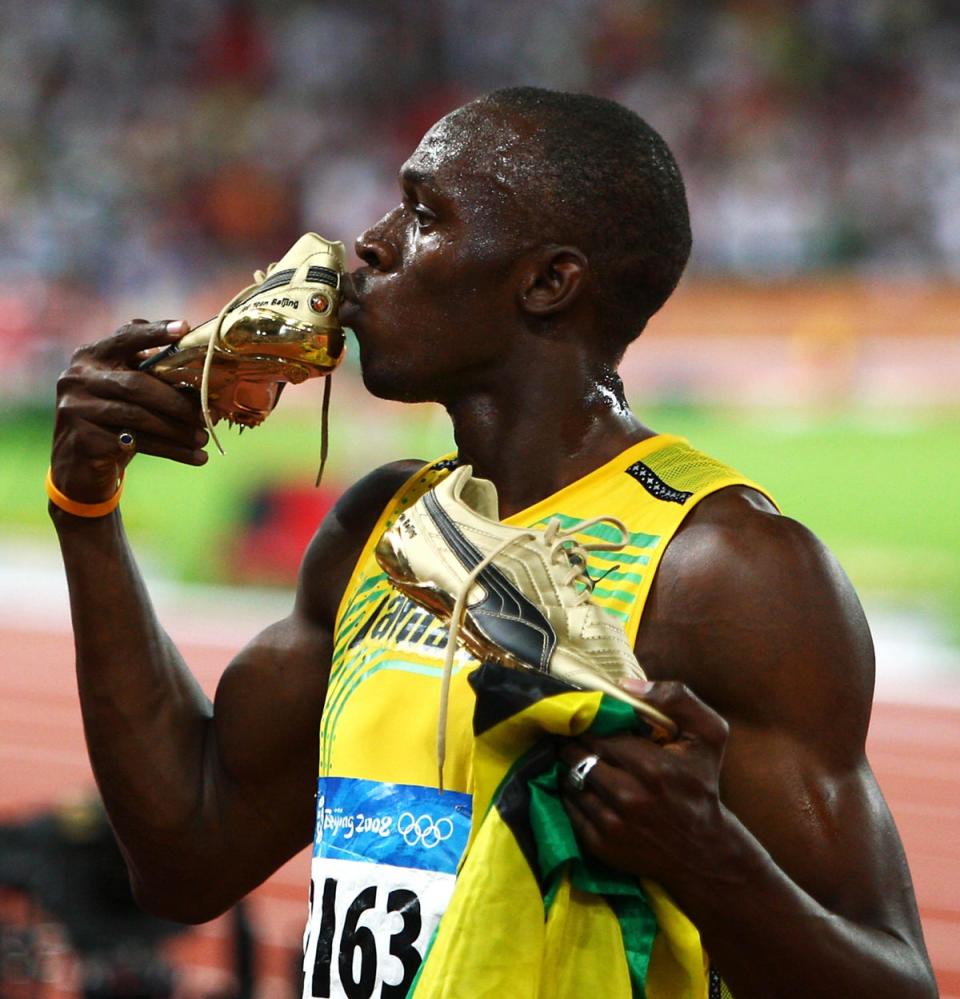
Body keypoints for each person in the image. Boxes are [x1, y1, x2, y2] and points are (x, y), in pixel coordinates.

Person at [49, 87, 936, 997]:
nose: (374, 242)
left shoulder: (724, 572)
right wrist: (86, 510)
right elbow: (187, 855)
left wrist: (706, 857)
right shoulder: (377, 529)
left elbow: (897, 980)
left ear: (549, 282)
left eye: (426, 214)